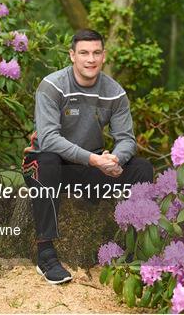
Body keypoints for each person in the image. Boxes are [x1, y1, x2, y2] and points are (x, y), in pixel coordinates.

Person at [21, 29, 154, 285]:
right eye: (83, 53)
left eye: (96, 53)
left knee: (142, 169)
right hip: (46, 164)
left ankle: (134, 249)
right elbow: (48, 139)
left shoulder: (114, 92)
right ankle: (46, 254)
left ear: (103, 56)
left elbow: (126, 139)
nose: (90, 59)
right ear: (72, 55)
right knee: (47, 160)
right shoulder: (52, 86)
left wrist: (114, 159)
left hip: (88, 167)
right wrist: (95, 161)